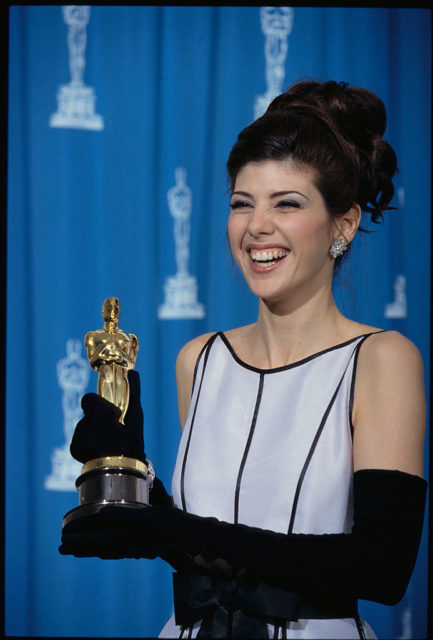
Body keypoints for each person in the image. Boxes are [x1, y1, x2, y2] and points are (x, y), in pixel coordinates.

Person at [60, 80, 427, 640]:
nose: (257, 226)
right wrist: (130, 478)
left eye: (288, 203)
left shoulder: (381, 358)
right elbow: (204, 543)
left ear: (344, 225)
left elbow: (381, 566)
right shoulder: (198, 360)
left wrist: (169, 530)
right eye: (242, 204)